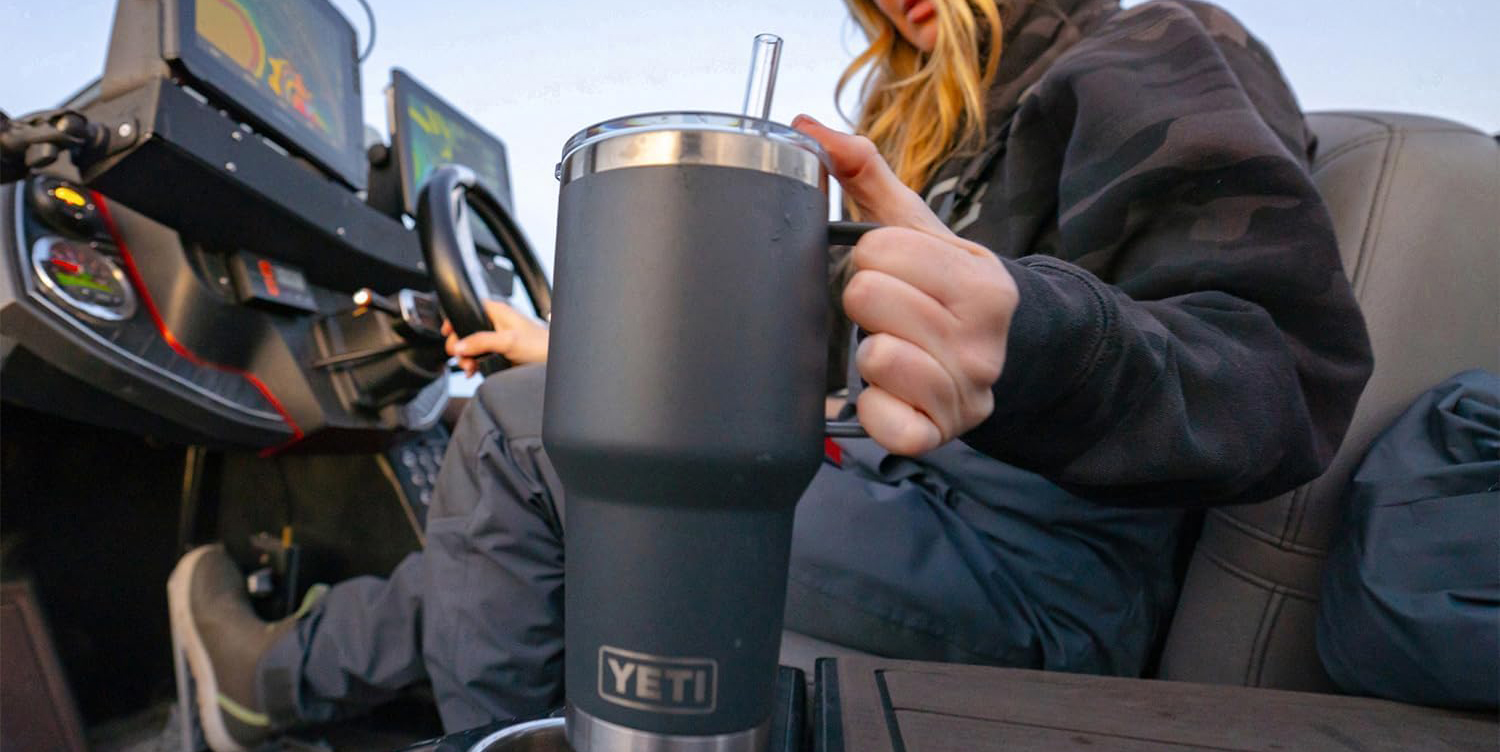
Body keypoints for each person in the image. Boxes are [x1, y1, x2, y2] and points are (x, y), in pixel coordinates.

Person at [168, 1, 1373, 749]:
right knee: (560, 440)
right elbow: (846, 363)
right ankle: (287, 671)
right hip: (912, 498)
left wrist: (1036, 334)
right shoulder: (946, 129)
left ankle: (281, 678)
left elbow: (1277, 370)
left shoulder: (1151, 50)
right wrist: (587, 357)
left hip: (1039, 579)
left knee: (522, 441)